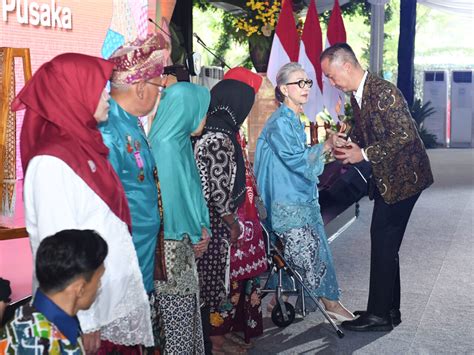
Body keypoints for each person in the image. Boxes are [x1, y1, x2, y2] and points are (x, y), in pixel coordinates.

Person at [13, 53, 154, 352]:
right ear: (73, 95)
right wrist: (86, 320)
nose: (106, 96)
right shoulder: (52, 161)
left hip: (106, 301)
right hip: (84, 313)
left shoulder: (84, 147)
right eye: (97, 88)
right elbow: (59, 243)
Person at [320, 43, 434, 331]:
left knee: (383, 241)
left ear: (346, 66)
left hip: (405, 177)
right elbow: (369, 131)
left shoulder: (382, 91)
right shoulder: (360, 94)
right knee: (386, 243)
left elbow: (406, 135)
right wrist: (347, 140)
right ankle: (388, 310)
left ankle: (380, 315)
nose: (332, 83)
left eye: (332, 76)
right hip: (393, 176)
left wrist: (365, 154)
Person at [254, 62, 354, 323]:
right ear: (284, 89)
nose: (306, 87)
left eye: (307, 82)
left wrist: (328, 147)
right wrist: (326, 145)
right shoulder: (280, 123)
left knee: (308, 250)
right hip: (287, 202)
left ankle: (281, 298)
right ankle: (330, 303)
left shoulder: (291, 119)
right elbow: (297, 161)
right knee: (310, 254)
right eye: (299, 83)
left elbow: (301, 162)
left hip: (298, 199)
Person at [194, 77, 266, 355]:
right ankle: (215, 344)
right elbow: (219, 192)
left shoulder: (209, 132)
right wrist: (232, 223)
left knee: (214, 283)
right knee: (214, 284)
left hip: (207, 219)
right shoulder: (219, 140)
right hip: (214, 222)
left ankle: (216, 340)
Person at [99, 33, 165, 300]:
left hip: (140, 260)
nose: (158, 94)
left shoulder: (131, 123)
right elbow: (103, 208)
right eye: (158, 87)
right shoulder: (108, 129)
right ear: (140, 88)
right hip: (119, 269)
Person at [148, 82, 211, 354]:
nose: (205, 118)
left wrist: (202, 228)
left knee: (187, 313)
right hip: (172, 248)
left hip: (184, 242)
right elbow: (172, 203)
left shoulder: (179, 141)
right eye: (202, 110)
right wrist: (198, 234)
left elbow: (191, 194)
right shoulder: (164, 147)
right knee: (177, 320)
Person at [0, 229, 108, 354]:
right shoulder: (39, 341)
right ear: (80, 289)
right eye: (99, 279)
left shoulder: (35, 314)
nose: (99, 286)